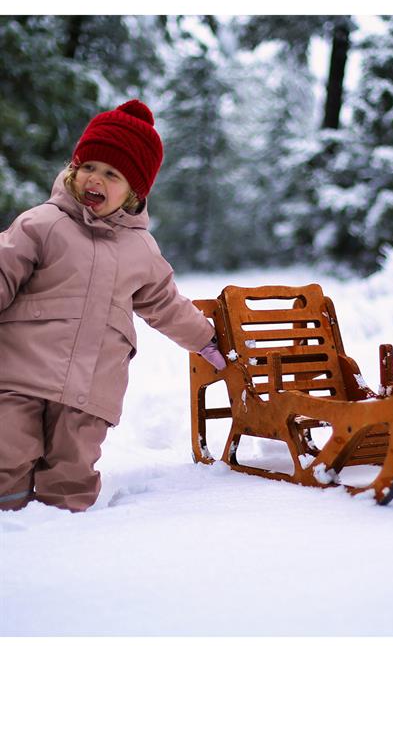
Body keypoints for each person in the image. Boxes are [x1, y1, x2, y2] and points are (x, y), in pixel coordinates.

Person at [0, 99, 226, 513]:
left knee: (73, 470)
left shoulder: (140, 248)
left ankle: (67, 532)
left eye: (111, 173)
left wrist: (205, 340)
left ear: (134, 191)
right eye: (88, 167)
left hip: (92, 387)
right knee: (6, 453)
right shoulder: (43, 223)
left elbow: (164, 302)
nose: (95, 179)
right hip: (20, 373)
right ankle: (10, 526)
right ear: (73, 169)